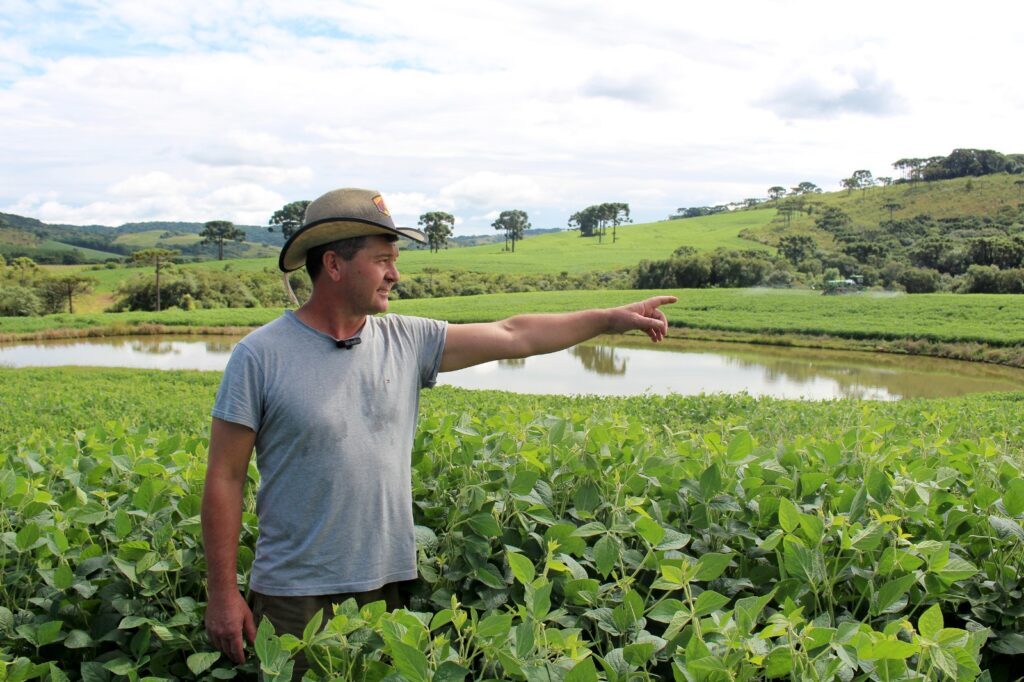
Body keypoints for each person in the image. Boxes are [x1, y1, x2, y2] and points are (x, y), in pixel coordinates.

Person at [201, 188, 676, 674]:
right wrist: (222, 593)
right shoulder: (259, 356)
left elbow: (516, 334)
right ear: (334, 264)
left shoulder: (407, 340)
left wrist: (609, 320)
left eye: (395, 259)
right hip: (293, 597)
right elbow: (225, 477)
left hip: (383, 586)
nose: (395, 274)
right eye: (383, 259)